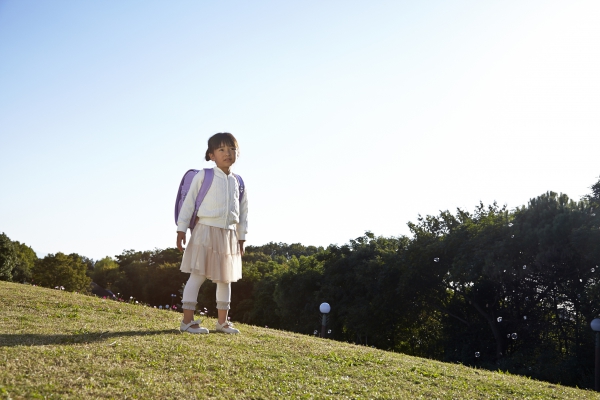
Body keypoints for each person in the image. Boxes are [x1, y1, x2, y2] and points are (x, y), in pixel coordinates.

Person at [176, 132, 248, 334]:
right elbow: (189, 203)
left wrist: (242, 237)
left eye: (232, 149)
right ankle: (187, 321)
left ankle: (222, 322)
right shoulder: (204, 176)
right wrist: (181, 229)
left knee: (225, 279)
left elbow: (243, 212)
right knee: (197, 275)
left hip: (229, 235)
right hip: (205, 230)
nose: (228, 153)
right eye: (222, 149)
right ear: (211, 155)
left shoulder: (238, 181)